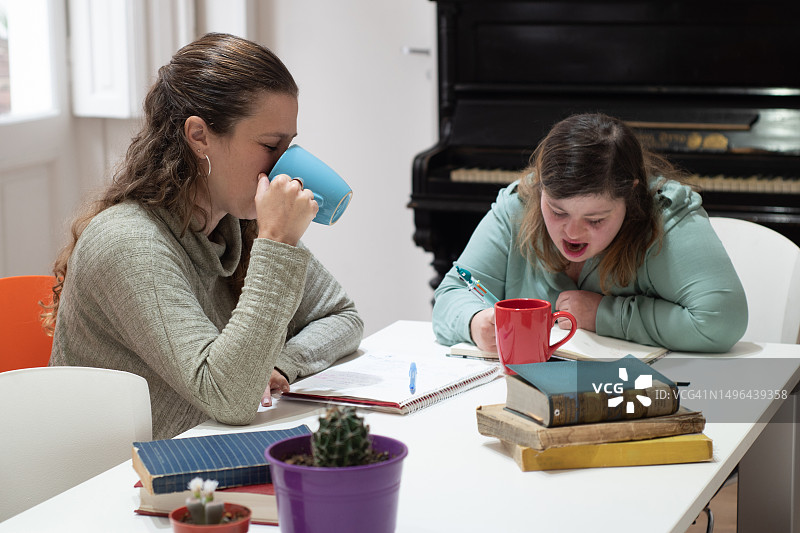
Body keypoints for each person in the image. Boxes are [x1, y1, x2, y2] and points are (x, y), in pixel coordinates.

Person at [45, 33, 364, 440]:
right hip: (123, 481)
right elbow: (229, 397)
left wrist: (283, 363)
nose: (286, 164)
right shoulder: (127, 243)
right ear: (199, 136)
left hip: (207, 454)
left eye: (290, 145)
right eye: (271, 145)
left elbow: (341, 315)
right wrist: (278, 245)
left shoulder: (236, 222)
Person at [432, 112, 747, 354]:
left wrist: (603, 315)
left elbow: (722, 321)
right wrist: (475, 323)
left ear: (631, 196)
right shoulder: (518, 206)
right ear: (540, 187)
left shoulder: (665, 217)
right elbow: (451, 294)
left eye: (595, 219)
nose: (571, 232)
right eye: (557, 211)